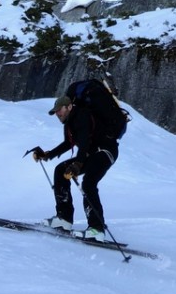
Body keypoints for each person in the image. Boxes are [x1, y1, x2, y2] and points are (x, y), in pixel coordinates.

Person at [31, 93, 119, 241]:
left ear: (70, 106)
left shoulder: (82, 116)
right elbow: (68, 143)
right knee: (60, 170)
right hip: (90, 153)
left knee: (89, 183)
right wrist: (48, 155)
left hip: (105, 151)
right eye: (56, 111)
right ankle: (64, 219)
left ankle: (97, 229)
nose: (58, 114)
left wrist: (77, 165)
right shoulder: (69, 122)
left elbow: (84, 141)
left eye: (60, 110)